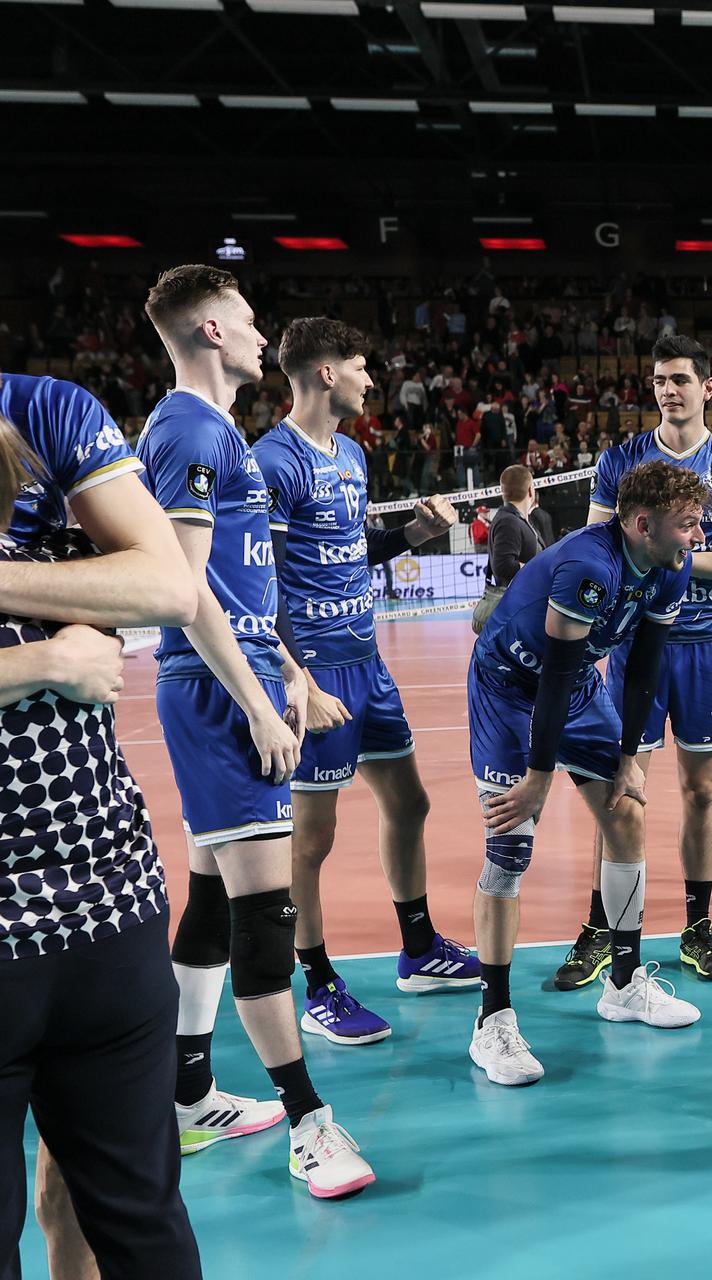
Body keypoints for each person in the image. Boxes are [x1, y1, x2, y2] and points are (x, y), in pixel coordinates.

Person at [135, 265, 374, 1197]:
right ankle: (311, 1126)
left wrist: (290, 671)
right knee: (264, 923)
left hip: (226, 684)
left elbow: (234, 590)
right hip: (212, 698)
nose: (262, 336)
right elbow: (183, 589)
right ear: (208, 331)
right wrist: (258, 703)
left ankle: (188, 1095)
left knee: (208, 901)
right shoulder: (192, 428)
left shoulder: (207, 428)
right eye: (244, 320)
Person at [0, 385, 201, 1278]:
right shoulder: (67, 588)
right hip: (103, 913)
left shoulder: (41, 424)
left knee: (134, 1215)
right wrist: (42, 659)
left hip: (100, 923)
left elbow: (170, 588)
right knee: (140, 1216)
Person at [252, 319, 478, 1050]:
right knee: (311, 840)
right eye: (360, 367)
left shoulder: (350, 454)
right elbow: (262, 584)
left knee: (408, 800)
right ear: (324, 374)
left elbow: (353, 550)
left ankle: (418, 951)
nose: (370, 380)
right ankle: (316, 982)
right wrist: (298, 682)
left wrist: (414, 531)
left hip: (369, 663)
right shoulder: (274, 461)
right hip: (313, 671)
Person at [465, 461, 705, 1087]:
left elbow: (644, 666)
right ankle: (492, 1020)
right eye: (686, 525)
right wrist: (540, 777)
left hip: (573, 693)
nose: (696, 536)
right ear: (641, 522)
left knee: (626, 814)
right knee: (508, 849)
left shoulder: (669, 570)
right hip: (509, 689)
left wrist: (629, 757)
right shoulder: (589, 567)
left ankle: (624, 984)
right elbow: (552, 672)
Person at [553, 334, 712, 990]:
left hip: (701, 650)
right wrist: (667, 556)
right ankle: (600, 926)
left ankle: (697, 927)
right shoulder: (621, 462)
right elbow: (596, 544)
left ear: (708, 388)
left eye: (680, 378)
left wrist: (657, 553)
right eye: (659, 380)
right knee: (619, 795)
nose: (668, 390)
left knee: (702, 791)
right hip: (630, 646)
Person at [477, 464, 544, 632]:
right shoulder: (509, 521)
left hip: (524, 610)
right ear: (530, 490)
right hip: (515, 613)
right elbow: (503, 566)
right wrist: (541, 570)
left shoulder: (518, 519)